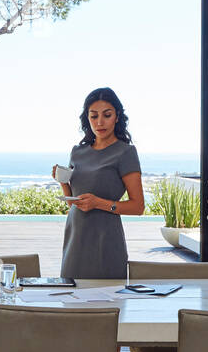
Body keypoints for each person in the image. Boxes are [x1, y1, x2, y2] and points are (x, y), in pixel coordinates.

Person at [55, 87, 145, 282]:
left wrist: (98, 203)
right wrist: (63, 182)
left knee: (106, 306)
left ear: (117, 116)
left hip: (106, 240)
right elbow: (74, 204)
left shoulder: (125, 152)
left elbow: (138, 206)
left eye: (107, 115)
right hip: (75, 238)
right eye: (94, 116)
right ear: (87, 118)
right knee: (70, 305)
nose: (100, 122)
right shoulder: (77, 152)